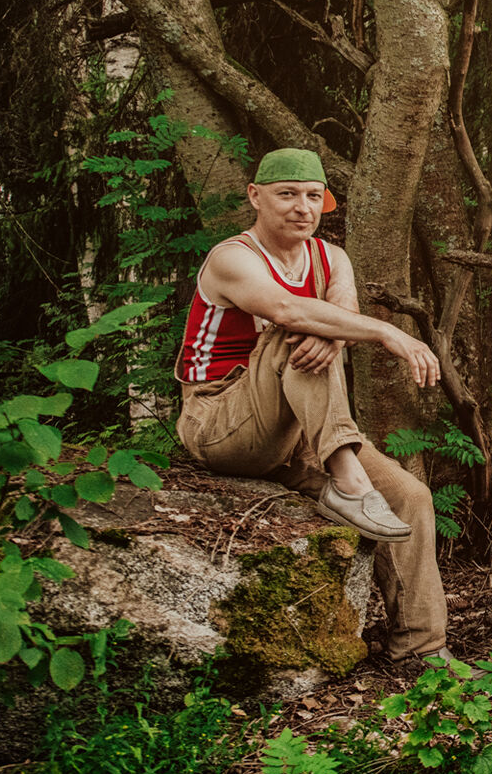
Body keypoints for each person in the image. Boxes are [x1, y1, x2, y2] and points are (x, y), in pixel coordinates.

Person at [173, 148, 452, 672]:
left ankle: (421, 650)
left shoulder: (330, 257)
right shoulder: (231, 256)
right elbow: (285, 309)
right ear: (256, 197)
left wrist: (335, 335)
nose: (303, 208)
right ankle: (348, 485)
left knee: (410, 496)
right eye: (287, 194)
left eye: (312, 197)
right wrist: (388, 331)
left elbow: (339, 310)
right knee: (290, 333)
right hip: (219, 420)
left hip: (297, 429)